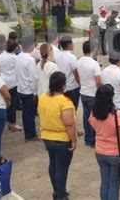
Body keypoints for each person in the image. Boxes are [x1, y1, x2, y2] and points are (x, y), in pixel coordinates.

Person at [89, 84, 120, 200]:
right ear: (111, 97)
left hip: (100, 152)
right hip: (116, 154)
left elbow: (92, 125)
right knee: (114, 185)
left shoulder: (94, 113)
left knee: (105, 182)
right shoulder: (117, 115)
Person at [38, 72, 77, 200]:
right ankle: (60, 195)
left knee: (53, 165)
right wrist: (73, 140)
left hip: (47, 136)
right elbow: (69, 124)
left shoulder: (43, 97)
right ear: (63, 86)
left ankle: (57, 191)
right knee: (61, 168)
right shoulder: (65, 102)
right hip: (61, 139)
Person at [76, 41, 102, 147]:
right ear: (92, 50)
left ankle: (88, 138)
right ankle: (93, 140)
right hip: (92, 93)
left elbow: (78, 76)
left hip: (83, 92)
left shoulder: (79, 61)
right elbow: (98, 81)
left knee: (86, 116)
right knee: (94, 117)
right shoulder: (94, 64)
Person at [15, 36, 39, 142]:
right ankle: (31, 135)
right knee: (30, 114)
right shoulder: (30, 60)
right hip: (29, 90)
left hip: (21, 88)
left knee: (26, 113)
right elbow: (33, 78)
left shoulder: (18, 56)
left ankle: (28, 134)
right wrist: (35, 93)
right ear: (31, 46)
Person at [0, 41, 22, 132]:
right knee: (13, 104)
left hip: (2, 81)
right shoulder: (14, 58)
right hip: (12, 82)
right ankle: (12, 123)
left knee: (5, 103)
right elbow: (18, 69)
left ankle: (7, 120)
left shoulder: (0, 56)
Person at [55, 36, 80, 110]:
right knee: (72, 109)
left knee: (62, 109)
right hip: (71, 88)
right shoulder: (72, 57)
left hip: (60, 88)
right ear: (69, 45)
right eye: (72, 43)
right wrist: (80, 85)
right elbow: (76, 74)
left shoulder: (57, 56)